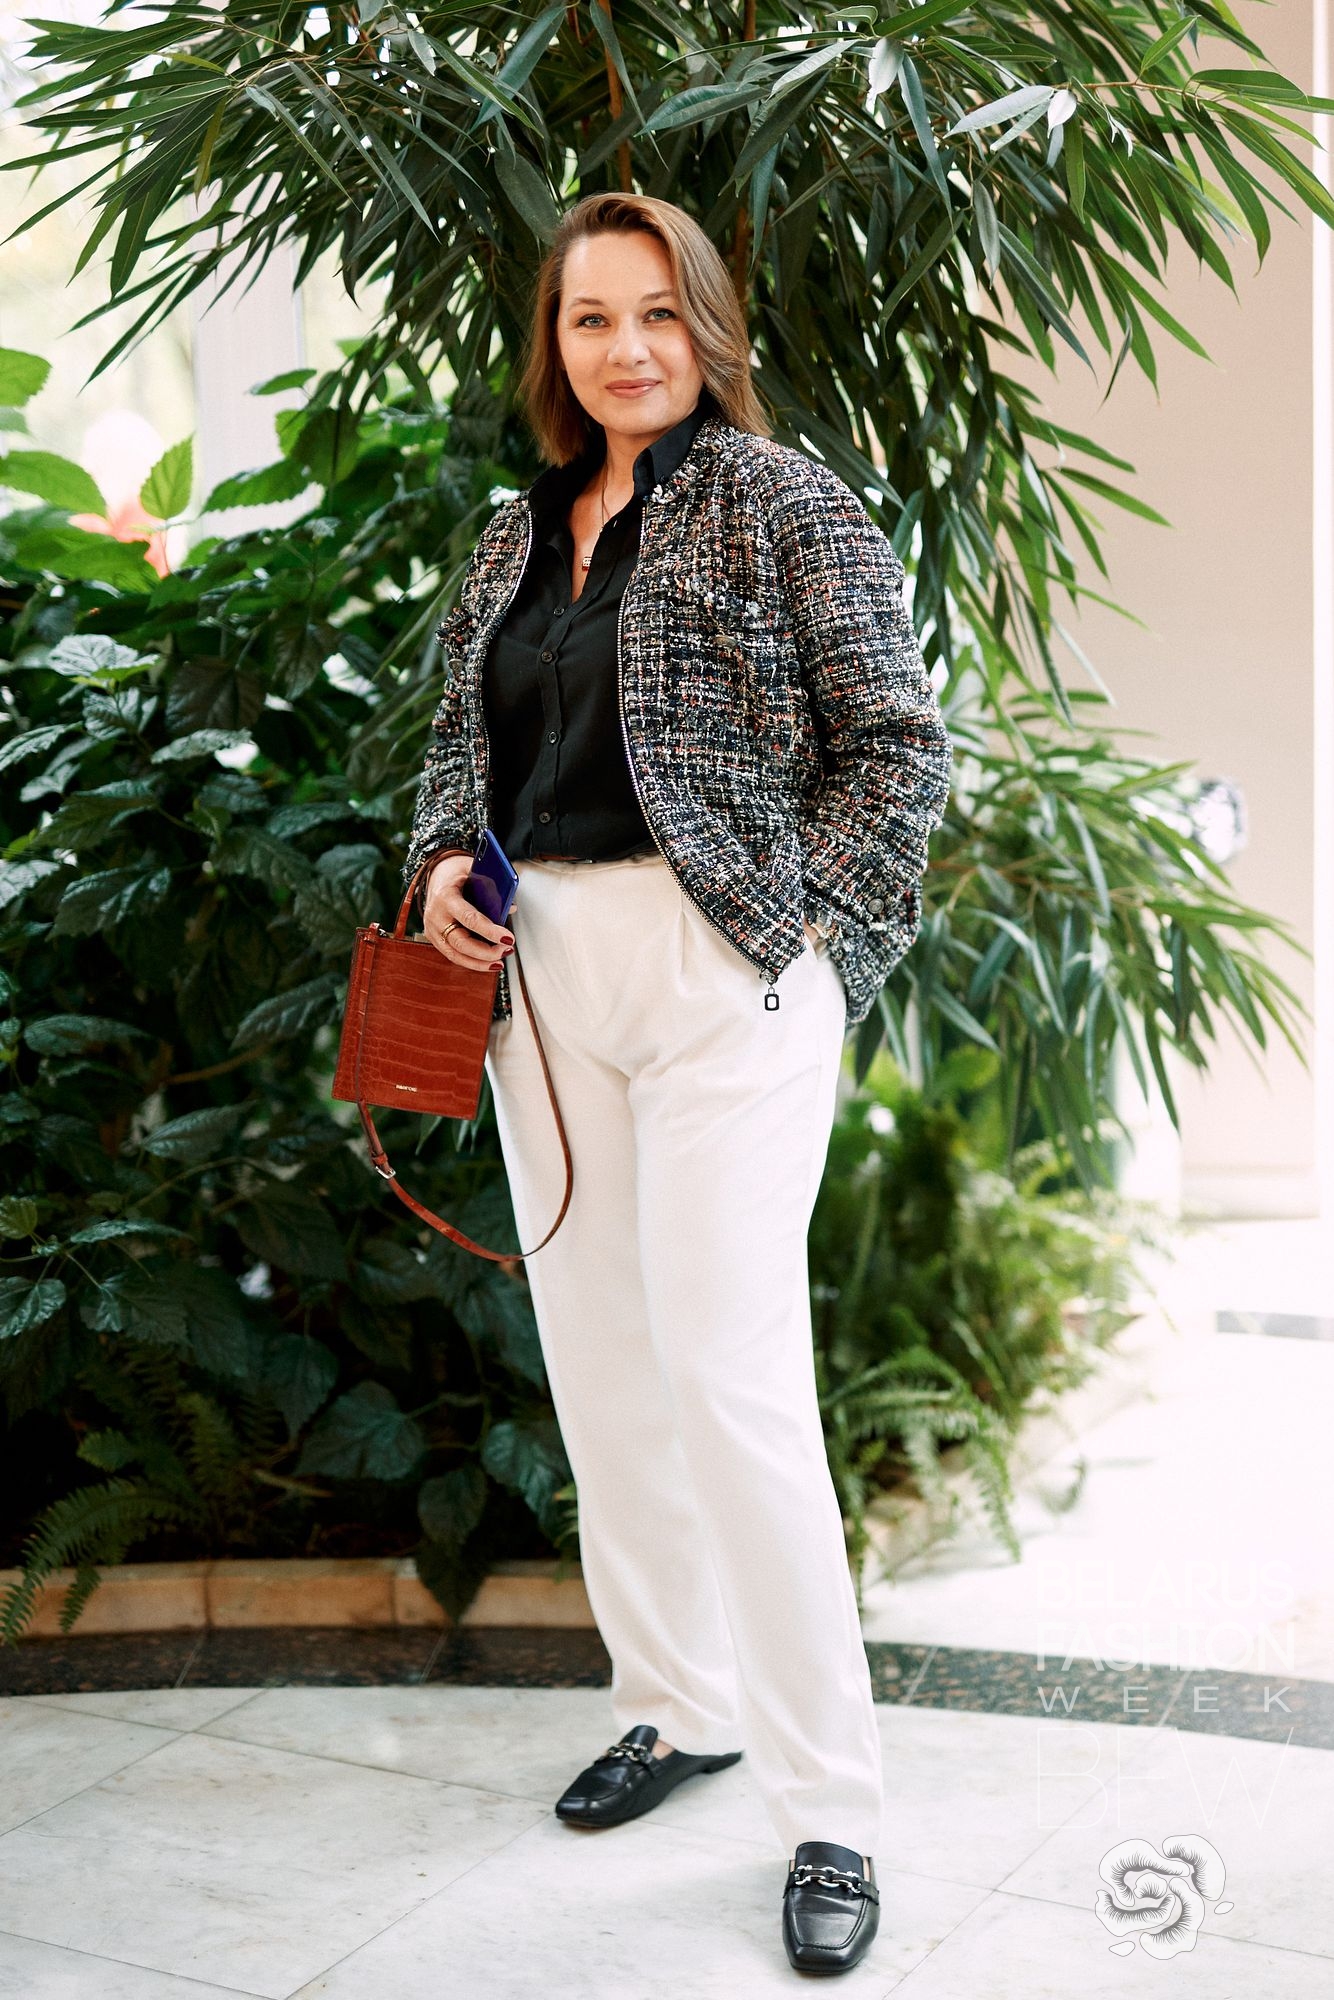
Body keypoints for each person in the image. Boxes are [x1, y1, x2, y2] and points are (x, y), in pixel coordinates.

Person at [405, 191, 952, 1977]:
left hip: (723, 975)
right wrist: (438, 866)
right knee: (606, 1370)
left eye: (655, 313)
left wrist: (803, 945)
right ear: (552, 345)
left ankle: (831, 1808)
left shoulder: (785, 502)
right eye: (590, 318)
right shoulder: (517, 530)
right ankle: (677, 1701)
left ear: (706, 328)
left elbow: (898, 748)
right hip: (541, 981)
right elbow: (454, 752)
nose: (624, 347)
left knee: (731, 1380)